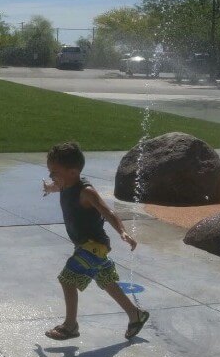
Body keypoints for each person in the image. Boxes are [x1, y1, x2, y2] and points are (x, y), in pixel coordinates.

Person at [42, 141, 149, 340]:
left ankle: (70, 326)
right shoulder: (66, 183)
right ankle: (136, 315)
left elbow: (107, 212)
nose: (52, 177)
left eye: (54, 173)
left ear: (73, 172)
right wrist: (50, 188)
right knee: (107, 281)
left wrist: (122, 232)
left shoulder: (86, 191)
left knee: (67, 280)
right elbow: (59, 186)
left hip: (94, 246)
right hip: (83, 245)